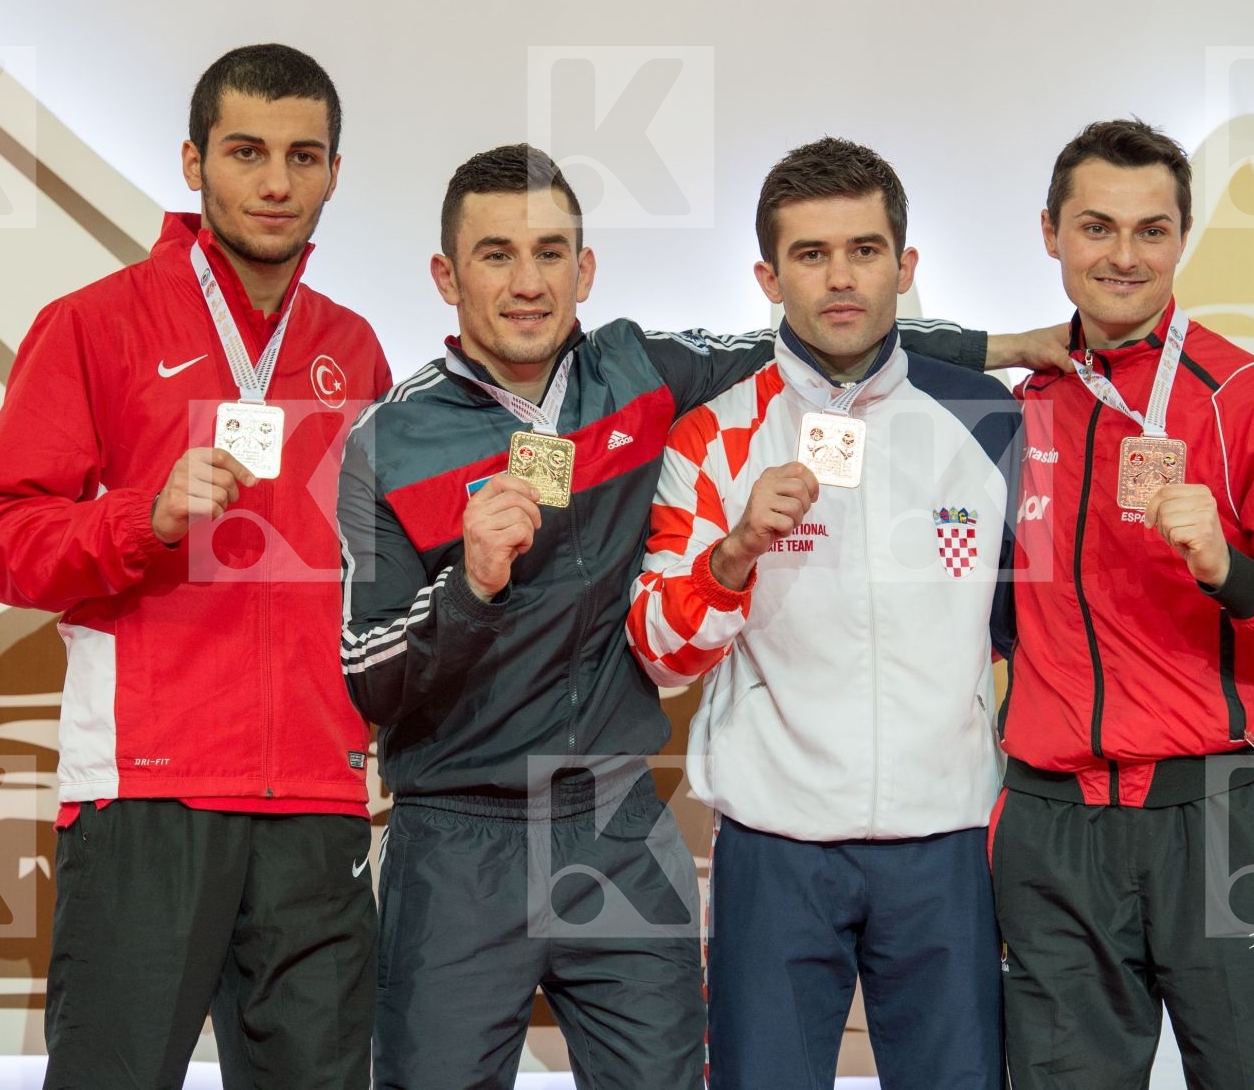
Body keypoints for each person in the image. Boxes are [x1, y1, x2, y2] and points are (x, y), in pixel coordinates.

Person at [336, 143, 1063, 1090]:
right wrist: (469, 588)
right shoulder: (391, 437)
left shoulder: (636, 374)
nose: (528, 283)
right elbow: (369, 676)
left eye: (552, 253)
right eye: (496, 255)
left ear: (584, 269)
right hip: (459, 834)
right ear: (445, 274)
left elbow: (825, 333)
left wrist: (999, 349)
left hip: (615, 819)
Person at [0, 44, 389, 1090]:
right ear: (193, 163)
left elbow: (372, 571)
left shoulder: (356, 348)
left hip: (318, 807)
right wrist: (140, 517)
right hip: (151, 791)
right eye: (245, 152)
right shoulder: (95, 325)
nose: (276, 182)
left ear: (334, 170)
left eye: (302, 155)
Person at [990, 119, 1254, 1087]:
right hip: (1054, 829)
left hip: (1223, 816)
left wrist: (1231, 570)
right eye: (1095, 227)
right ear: (1049, 231)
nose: (1124, 256)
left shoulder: (1253, 400)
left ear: (1183, 235)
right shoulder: (1013, 402)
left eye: (1152, 230)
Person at [624, 137, 1016, 1089]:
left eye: (865, 250)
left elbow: (1017, 625)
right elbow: (660, 650)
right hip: (776, 844)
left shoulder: (988, 418)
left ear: (905, 265)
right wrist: (733, 554)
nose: (840, 278)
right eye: (810, 255)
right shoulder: (713, 431)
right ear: (769, 274)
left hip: (947, 839)